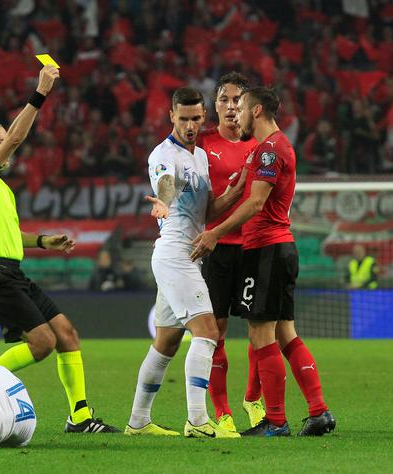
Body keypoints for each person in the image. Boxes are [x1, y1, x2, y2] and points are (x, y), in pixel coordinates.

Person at [0, 65, 118, 433]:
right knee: (43, 343)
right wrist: (39, 95)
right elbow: (16, 139)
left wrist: (45, 241)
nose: (9, 142)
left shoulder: (0, 189)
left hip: (10, 272)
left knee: (66, 334)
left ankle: (79, 416)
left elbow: (12, 234)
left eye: (6, 138)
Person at [191, 87, 336, 437]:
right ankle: (318, 411)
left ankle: (275, 420)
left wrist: (215, 232)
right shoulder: (272, 147)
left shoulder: (270, 150)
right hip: (279, 248)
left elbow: (256, 204)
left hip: (267, 251)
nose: (234, 114)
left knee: (260, 334)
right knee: (286, 332)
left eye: (239, 108)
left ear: (255, 111)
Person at [125, 86, 244, 438]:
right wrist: (162, 202)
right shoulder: (164, 154)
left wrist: (234, 193)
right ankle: (196, 419)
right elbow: (164, 186)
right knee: (207, 332)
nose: (190, 125)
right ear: (171, 117)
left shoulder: (201, 157)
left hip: (186, 254)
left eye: (195, 118)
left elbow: (206, 210)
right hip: (176, 253)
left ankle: (138, 422)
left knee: (166, 343)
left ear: (203, 117)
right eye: (183, 118)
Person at [196, 71, 261, 432]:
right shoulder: (202, 143)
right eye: (225, 99)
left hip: (252, 248)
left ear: (248, 105)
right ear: (215, 105)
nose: (232, 107)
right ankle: (222, 412)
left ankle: (253, 400)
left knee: (259, 331)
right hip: (217, 250)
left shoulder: (258, 145)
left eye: (238, 100)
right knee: (216, 333)